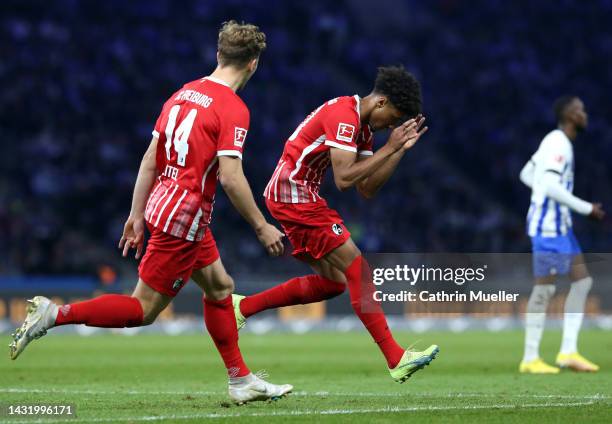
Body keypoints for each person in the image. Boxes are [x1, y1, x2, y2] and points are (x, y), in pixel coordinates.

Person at [9, 20, 292, 404]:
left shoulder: (183, 94)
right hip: (185, 218)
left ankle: (240, 379)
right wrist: (261, 226)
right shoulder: (233, 108)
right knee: (142, 310)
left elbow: (149, 159)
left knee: (221, 287)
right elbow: (230, 177)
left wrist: (136, 213)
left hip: (165, 203)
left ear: (218, 54)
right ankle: (54, 315)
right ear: (254, 64)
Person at [233, 66, 438, 383]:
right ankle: (396, 358)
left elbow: (366, 187)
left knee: (334, 283)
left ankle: (242, 308)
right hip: (293, 193)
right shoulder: (345, 116)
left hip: (296, 193)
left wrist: (396, 151)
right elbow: (344, 179)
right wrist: (389, 147)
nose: (391, 126)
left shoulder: (365, 127)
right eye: (393, 118)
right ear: (381, 102)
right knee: (359, 268)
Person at [518, 96, 605, 374]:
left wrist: (541, 192)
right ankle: (530, 358)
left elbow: (526, 174)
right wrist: (586, 208)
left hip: (560, 227)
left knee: (582, 282)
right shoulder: (558, 143)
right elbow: (552, 186)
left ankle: (568, 351)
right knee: (545, 289)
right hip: (548, 228)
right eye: (580, 109)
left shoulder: (555, 141)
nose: (584, 113)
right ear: (569, 115)